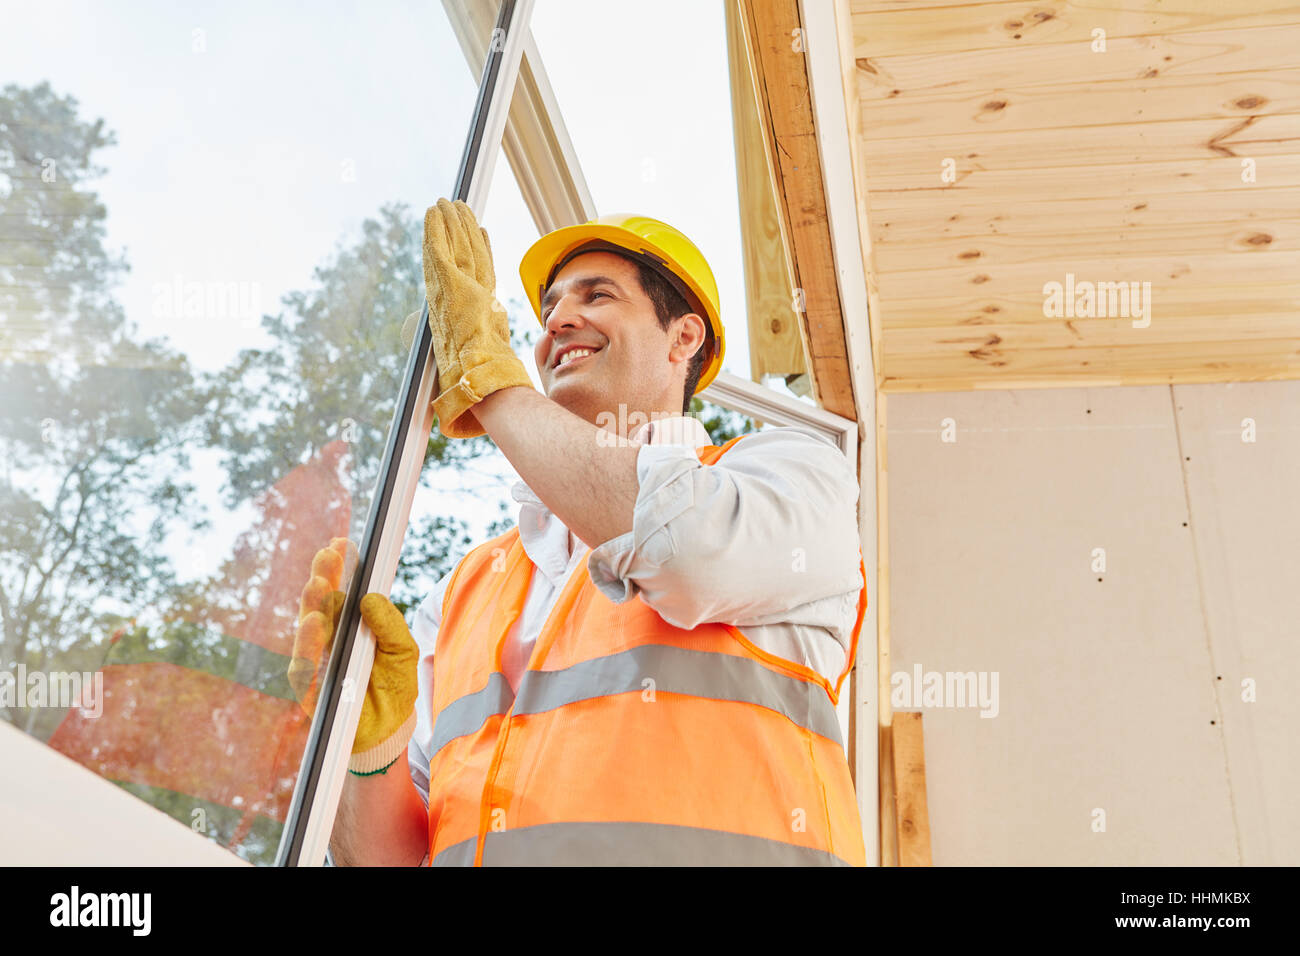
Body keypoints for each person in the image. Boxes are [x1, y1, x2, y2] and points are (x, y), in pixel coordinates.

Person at [294, 200, 868, 866]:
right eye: (548, 311)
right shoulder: (462, 594)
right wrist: (365, 753)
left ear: (685, 339)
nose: (559, 320)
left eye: (598, 295)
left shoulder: (790, 475)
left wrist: (487, 380)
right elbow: (389, 863)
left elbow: (686, 550)